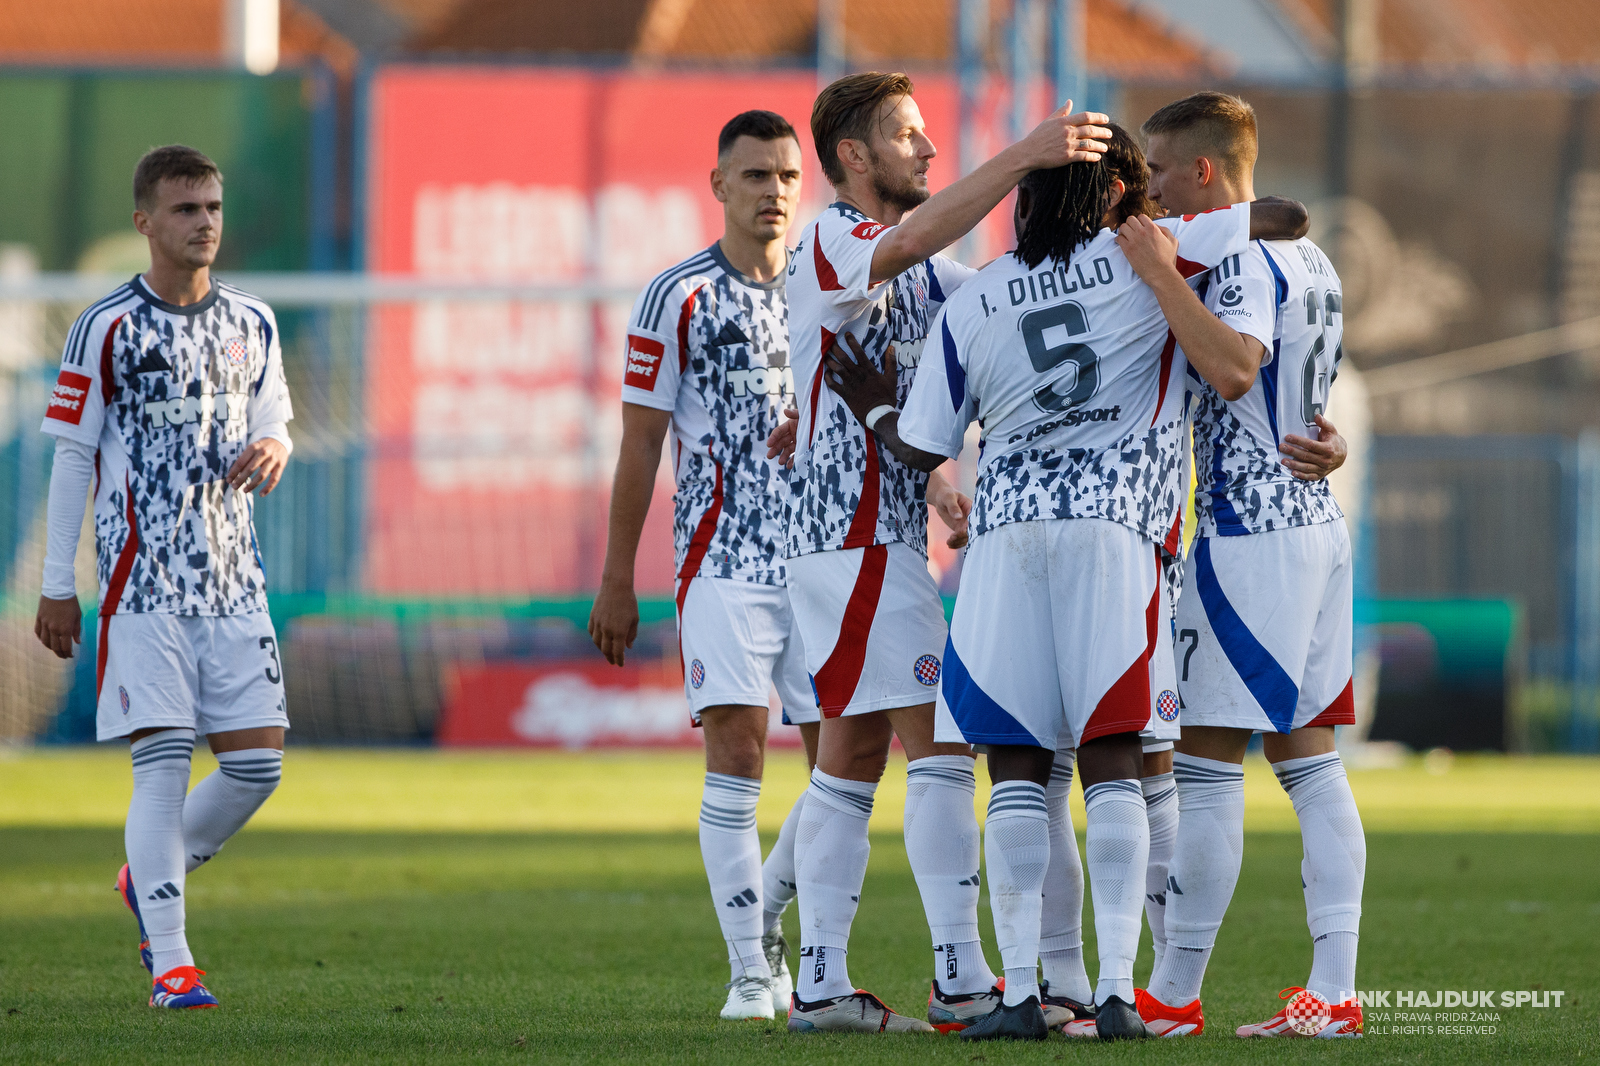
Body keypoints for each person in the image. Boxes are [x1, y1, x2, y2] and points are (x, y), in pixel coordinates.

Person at [819, 123, 1309, 1040]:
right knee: (1116, 762)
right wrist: (1182, 231)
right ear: (1115, 196)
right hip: (1115, 537)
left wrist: (874, 402)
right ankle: (1119, 992)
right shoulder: (1149, 254)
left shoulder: (982, 297)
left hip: (1004, 545)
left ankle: (1017, 999)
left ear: (1026, 198)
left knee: (1013, 768)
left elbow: (927, 444)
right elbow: (1284, 216)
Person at [777, 70, 1113, 1034]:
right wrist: (1026, 156)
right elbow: (913, 242)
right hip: (853, 540)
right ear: (854, 157)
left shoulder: (924, 272)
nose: (928, 151)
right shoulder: (838, 237)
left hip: (865, 539)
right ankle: (964, 981)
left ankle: (823, 987)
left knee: (849, 760)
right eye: (910, 135)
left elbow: (1009, 302)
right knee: (944, 750)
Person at [33, 144, 294, 1009]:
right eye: (186, 209)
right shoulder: (105, 326)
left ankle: (147, 877)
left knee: (259, 767)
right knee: (163, 767)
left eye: (213, 207)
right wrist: (55, 583)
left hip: (235, 583)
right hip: (144, 589)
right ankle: (173, 964)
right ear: (146, 222)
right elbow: (72, 459)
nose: (205, 223)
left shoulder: (252, 321)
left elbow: (277, 418)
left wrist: (276, 447)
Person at [1131, 91, 1364, 1040]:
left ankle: (1174, 997)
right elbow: (1294, 394)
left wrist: (1161, 280)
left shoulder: (1240, 260)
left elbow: (1233, 367)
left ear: (1202, 172)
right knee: (1312, 767)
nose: (1147, 191)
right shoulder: (1313, 257)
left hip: (1250, 535)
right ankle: (1334, 993)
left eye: (1156, 170)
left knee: (1207, 767)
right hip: (1314, 524)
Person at [587, 111, 819, 1021]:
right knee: (740, 755)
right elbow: (640, 445)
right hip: (723, 561)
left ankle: (762, 913)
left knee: (851, 756)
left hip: (824, 559)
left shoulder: (822, 285)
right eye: (756, 176)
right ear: (719, 185)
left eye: (787, 177)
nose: (774, 193)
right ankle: (749, 973)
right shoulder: (677, 297)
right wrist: (618, 577)